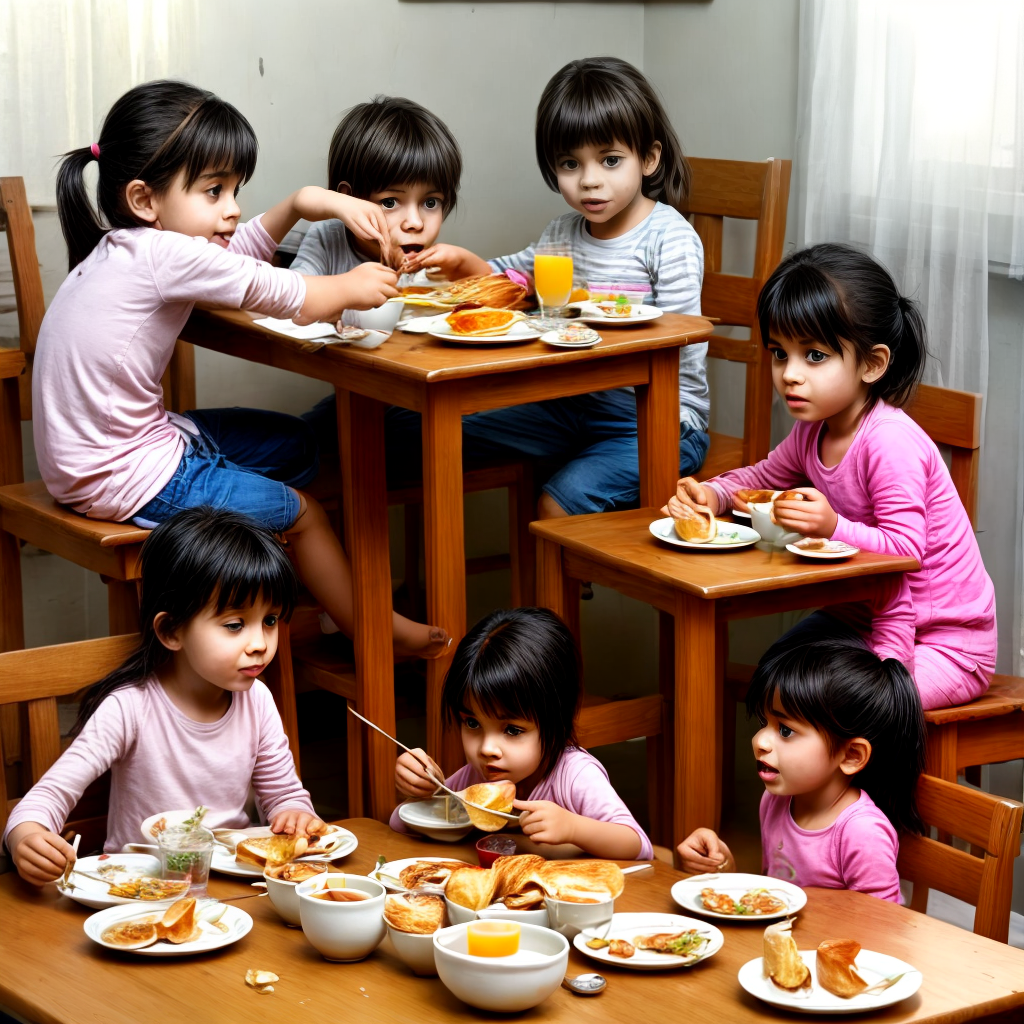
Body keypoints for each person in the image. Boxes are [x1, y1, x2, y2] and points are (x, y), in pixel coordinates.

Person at [34, 79, 445, 658]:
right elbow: (273, 289)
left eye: (234, 189)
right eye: (213, 191)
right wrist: (350, 285)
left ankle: (302, 565)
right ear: (145, 199)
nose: (233, 207)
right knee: (302, 512)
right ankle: (372, 626)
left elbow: (236, 256)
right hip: (122, 475)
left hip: (123, 449)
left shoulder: (128, 245)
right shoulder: (162, 254)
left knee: (299, 443)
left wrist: (305, 201)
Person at [664, 243, 996, 710]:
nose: (790, 375)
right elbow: (762, 476)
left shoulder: (888, 441)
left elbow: (905, 551)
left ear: (872, 364)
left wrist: (832, 527)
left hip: (943, 641)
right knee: (776, 677)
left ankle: (859, 787)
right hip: (863, 618)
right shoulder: (813, 431)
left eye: (814, 356)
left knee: (828, 707)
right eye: (780, 354)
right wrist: (713, 494)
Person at [398, 56, 708, 518]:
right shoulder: (562, 234)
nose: (589, 180)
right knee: (422, 430)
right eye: (570, 163)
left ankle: (559, 582)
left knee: (557, 502)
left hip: (657, 420)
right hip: (570, 409)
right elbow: (509, 281)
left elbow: (682, 342)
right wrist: (463, 264)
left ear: (649, 158)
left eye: (610, 160)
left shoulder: (670, 239)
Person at [4, 507, 327, 885]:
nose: (259, 644)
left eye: (270, 620)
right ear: (172, 630)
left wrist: (295, 814)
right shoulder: (130, 707)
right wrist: (25, 837)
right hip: (136, 889)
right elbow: (46, 799)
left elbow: (284, 796)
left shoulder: (257, 700)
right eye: (235, 625)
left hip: (230, 884)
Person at [390, 607, 653, 860]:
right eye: (472, 723)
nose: (487, 748)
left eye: (512, 730)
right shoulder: (478, 779)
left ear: (557, 720)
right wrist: (421, 792)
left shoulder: (574, 775)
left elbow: (638, 845)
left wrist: (574, 828)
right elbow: (401, 825)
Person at [678, 638, 926, 903]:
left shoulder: (862, 834)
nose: (760, 741)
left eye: (785, 730)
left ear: (852, 755)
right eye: (764, 722)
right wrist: (721, 867)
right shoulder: (776, 801)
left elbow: (883, 928)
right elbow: (772, 898)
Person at [287, 95, 463, 457]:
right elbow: (292, 303)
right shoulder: (327, 241)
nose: (415, 221)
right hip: (358, 398)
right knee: (296, 442)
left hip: (422, 404)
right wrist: (346, 291)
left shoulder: (431, 266)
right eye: (390, 202)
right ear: (348, 200)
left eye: (430, 202)